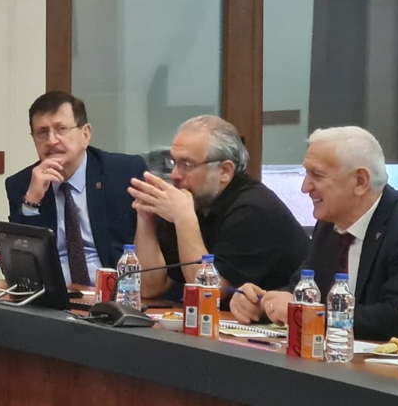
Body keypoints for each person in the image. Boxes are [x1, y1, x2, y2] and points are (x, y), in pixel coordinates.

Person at [230, 127, 398, 341]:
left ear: (360, 181)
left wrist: (304, 314)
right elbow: (299, 289)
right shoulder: (328, 225)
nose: (305, 187)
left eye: (317, 175)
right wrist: (263, 302)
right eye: (306, 174)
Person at [131, 115, 308, 299]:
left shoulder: (254, 210)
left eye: (187, 164)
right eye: (173, 163)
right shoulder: (193, 202)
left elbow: (208, 293)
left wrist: (184, 219)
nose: (175, 175)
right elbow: (149, 288)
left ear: (225, 171)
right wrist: (146, 217)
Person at [4, 92, 146, 285]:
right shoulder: (22, 184)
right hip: (54, 297)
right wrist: (32, 201)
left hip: (115, 293)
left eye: (61, 129)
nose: (51, 141)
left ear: (85, 134)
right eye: (42, 133)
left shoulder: (124, 173)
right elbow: (20, 266)